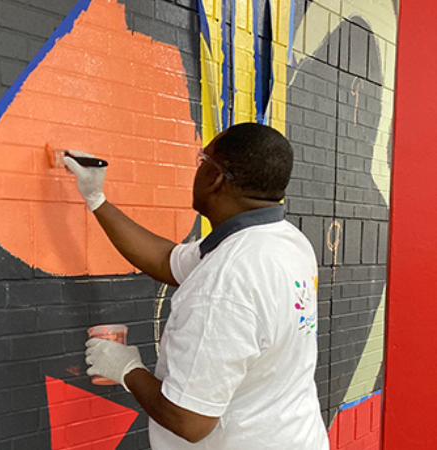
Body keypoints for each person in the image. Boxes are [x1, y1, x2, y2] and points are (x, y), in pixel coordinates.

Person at [64, 123, 329, 450]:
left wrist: (127, 369)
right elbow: (166, 260)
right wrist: (96, 199)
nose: (198, 167)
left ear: (216, 178)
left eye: (202, 160)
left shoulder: (226, 282)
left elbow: (189, 421)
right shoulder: (285, 240)